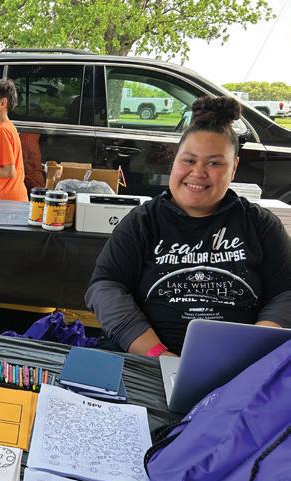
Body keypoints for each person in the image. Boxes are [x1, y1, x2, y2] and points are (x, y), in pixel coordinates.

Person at [86, 96, 291, 356]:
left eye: (215, 163)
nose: (198, 172)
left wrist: (254, 348)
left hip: (242, 361)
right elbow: (105, 287)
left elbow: (286, 292)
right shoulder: (142, 222)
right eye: (189, 160)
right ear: (174, 161)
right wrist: (159, 356)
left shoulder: (260, 224)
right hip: (151, 357)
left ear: (234, 168)